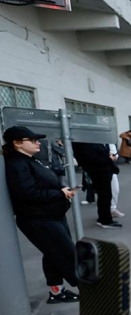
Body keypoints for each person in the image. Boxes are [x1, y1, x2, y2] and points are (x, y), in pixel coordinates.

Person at [2, 126, 80, 303]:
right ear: (17, 143)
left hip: (51, 216)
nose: (38, 143)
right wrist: (60, 193)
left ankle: (56, 292)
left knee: (53, 254)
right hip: (39, 219)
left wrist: (61, 191)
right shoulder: (17, 164)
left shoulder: (29, 159)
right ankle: (93, 291)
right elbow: (28, 194)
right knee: (67, 254)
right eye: (32, 140)